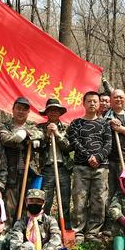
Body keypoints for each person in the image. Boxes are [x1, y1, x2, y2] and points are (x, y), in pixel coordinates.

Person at [68, 91, 112, 242]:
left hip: (101, 168)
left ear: (99, 104)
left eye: (95, 101)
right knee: (79, 199)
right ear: (83, 103)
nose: (92, 104)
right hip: (81, 167)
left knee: (98, 199)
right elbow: (74, 142)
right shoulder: (76, 123)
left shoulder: (105, 124)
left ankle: (93, 232)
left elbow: (108, 144)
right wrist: (88, 157)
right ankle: (78, 231)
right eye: (89, 101)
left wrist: (98, 157)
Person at [0, 96, 44, 223]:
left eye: (24, 109)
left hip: (29, 173)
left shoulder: (33, 125)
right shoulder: (5, 125)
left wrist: (32, 136)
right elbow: (5, 139)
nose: (21, 112)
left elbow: (41, 135)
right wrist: (22, 135)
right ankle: (6, 236)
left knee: (27, 207)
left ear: (28, 112)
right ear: (13, 109)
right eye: (18, 108)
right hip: (10, 174)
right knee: (9, 208)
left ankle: (24, 235)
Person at [37, 98, 72, 229]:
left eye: (56, 110)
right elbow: (38, 147)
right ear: (47, 112)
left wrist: (57, 134)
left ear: (60, 113)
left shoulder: (66, 128)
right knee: (45, 201)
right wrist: (46, 135)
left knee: (64, 201)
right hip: (47, 169)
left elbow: (69, 147)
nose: (53, 113)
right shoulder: (39, 128)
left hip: (63, 168)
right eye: (50, 110)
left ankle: (66, 228)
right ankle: (43, 229)